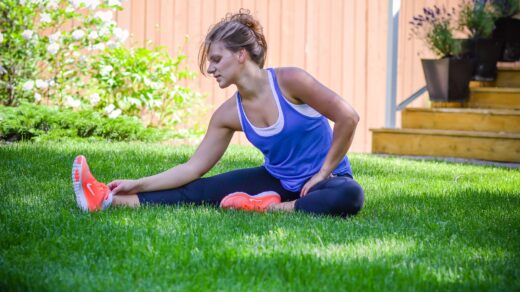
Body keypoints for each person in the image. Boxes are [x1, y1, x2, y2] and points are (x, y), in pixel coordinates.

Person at [72, 9, 364, 217]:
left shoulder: (291, 81)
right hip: (278, 181)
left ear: (241, 54)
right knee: (201, 190)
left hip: (328, 179)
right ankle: (104, 198)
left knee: (350, 195)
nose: (210, 68)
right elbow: (192, 169)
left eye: (216, 59)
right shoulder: (227, 115)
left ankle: (269, 208)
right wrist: (139, 183)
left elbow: (348, 117)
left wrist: (323, 172)